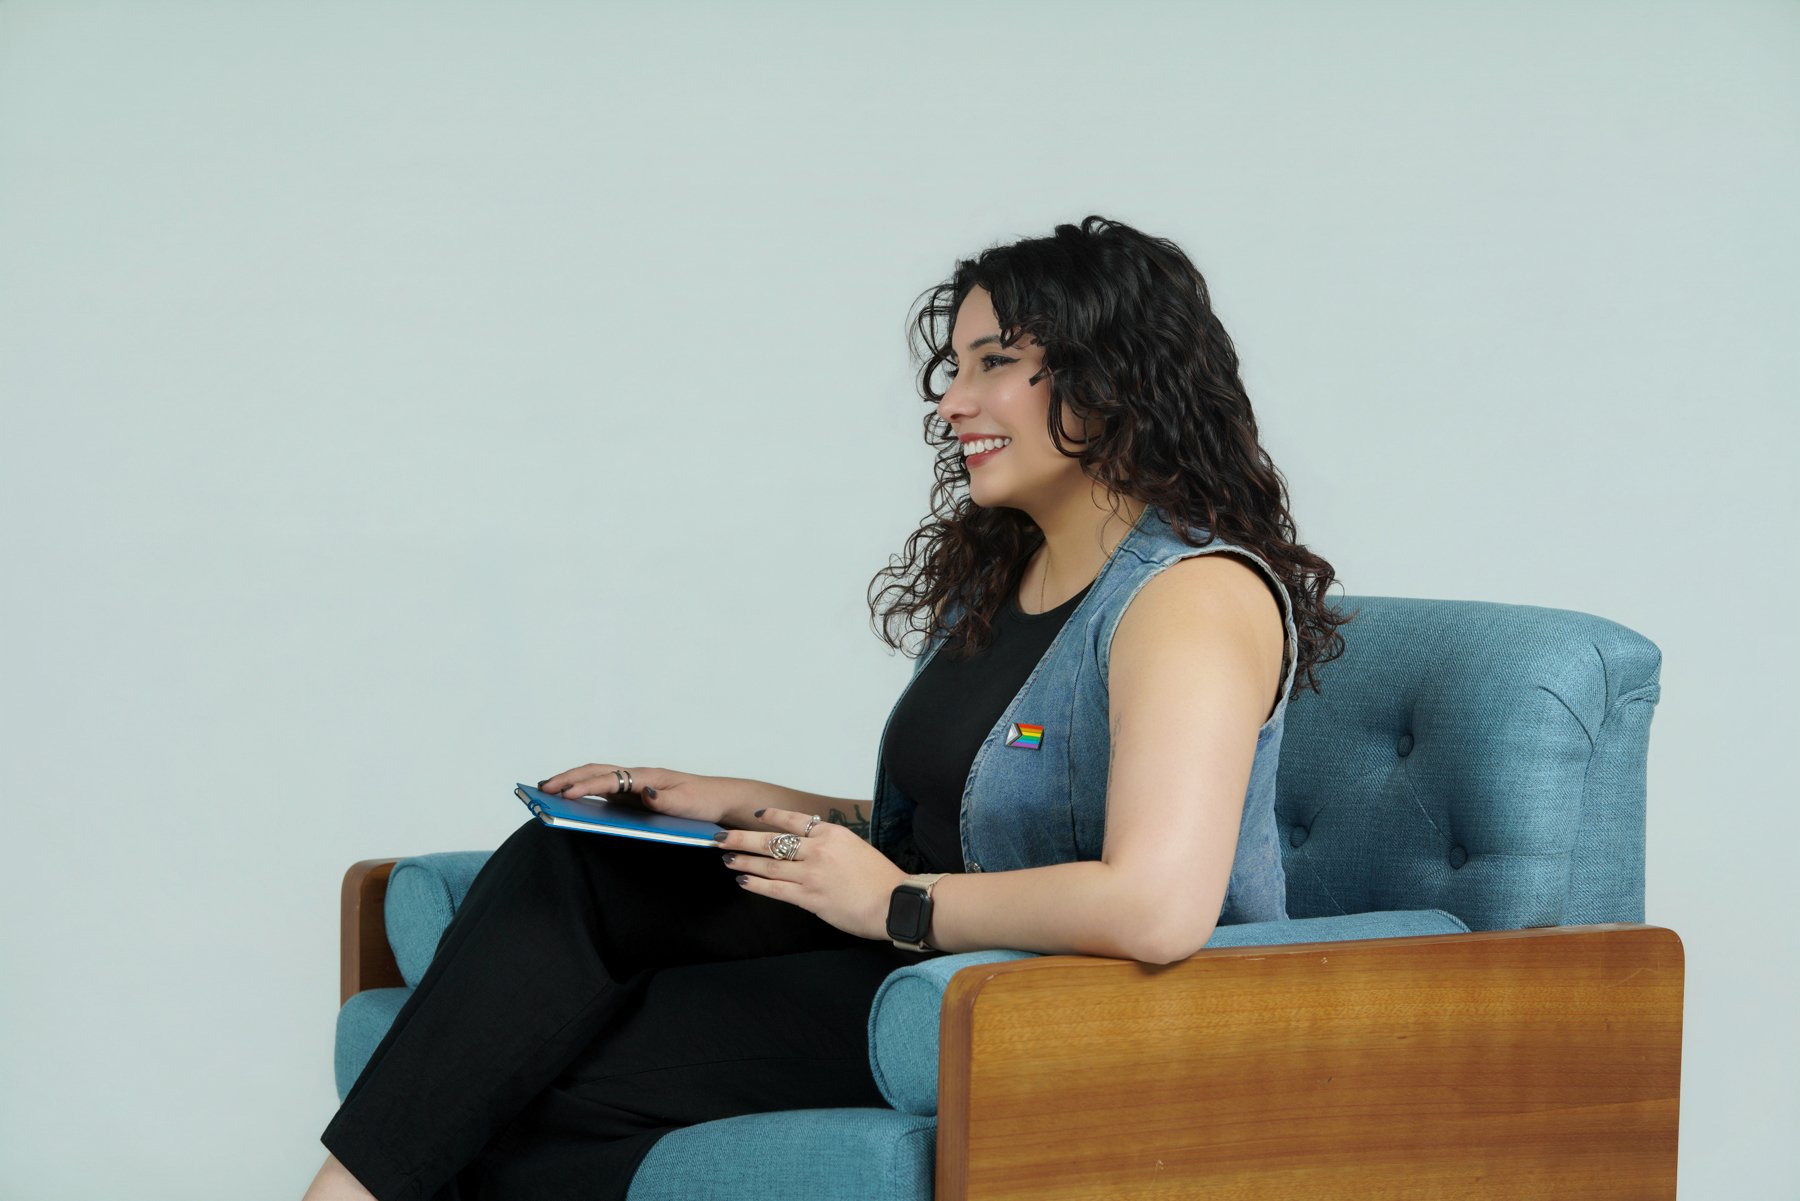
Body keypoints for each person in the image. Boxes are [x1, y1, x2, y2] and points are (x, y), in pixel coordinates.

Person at [302, 214, 1350, 1201]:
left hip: (1046, 999)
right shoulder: (1015, 578)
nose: (952, 403)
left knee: (533, 1068)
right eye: (957, 367)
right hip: (935, 954)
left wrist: (896, 906)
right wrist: (746, 800)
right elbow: (969, 824)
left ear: (1110, 376)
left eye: (995, 363)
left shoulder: (1190, 596)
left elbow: (1157, 905)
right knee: (575, 860)